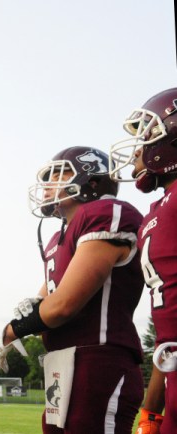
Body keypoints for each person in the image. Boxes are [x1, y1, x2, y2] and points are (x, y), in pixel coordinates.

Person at [0, 146, 144, 433]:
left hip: (99, 357)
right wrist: (34, 306)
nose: (48, 185)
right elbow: (45, 301)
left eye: (57, 174)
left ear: (90, 179)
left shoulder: (106, 211)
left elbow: (63, 305)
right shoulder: (58, 237)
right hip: (62, 361)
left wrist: (12, 330)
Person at [108, 88, 177, 434]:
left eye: (145, 137)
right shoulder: (157, 210)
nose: (137, 151)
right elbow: (169, 338)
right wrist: (152, 409)